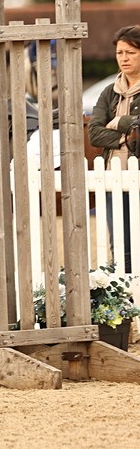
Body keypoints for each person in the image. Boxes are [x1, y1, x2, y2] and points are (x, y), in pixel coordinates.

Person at [88, 24, 140, 273]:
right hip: (112, 177)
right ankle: (126, 303)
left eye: (130, 52)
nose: (124, 58)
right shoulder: (109, 92)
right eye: (120, 53)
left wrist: (122, 122)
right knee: (119, 245)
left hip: (137, 176)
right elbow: (94, 133)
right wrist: (126, 136)